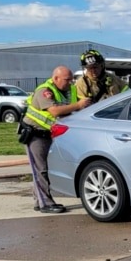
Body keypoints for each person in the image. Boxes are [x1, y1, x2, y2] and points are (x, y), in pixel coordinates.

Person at [21, 66, 92, 213]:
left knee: (47, 168)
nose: (70, 82)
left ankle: (39, 200)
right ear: (56, 78)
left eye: (71, 79)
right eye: (67, 80)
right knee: (41, 170)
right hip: (35, 134)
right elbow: (54, 111)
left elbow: (72, 108)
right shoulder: (44, 91)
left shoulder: (69, 91)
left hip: (51, 134)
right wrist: (78, 105)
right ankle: (45, 203)